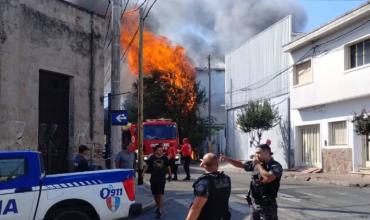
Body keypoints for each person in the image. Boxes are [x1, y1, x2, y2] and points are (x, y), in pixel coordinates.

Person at [220, 144, 283, 220]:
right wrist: (228, 159)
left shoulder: (275, 166)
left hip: (267, 205)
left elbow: (268, 178)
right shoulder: (256, 163)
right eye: (256, 153)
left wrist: (258, 165)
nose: (256, 155)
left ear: (267, 153)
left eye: (258, 153)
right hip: (254, 202)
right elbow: (241, 164)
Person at [186, 153, 231, 220]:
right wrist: (206, 164)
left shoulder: (204, 183)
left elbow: (196, 208)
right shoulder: (226, 178)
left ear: (203, 164)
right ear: (218, 164)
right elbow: (214, 173)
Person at [144, 143, 172, 219]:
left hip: (162, 179)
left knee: (160, 194)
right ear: (155, 151)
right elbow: (147, 166)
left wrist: (170, 175)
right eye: (159, 150)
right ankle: (158, 206)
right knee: (155, 195)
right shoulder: (151, 158)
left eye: (161, 150)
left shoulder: (165, 158)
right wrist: (142, 173)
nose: (161, 151)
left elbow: (168, 167)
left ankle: (160, 209)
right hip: (153, 179)